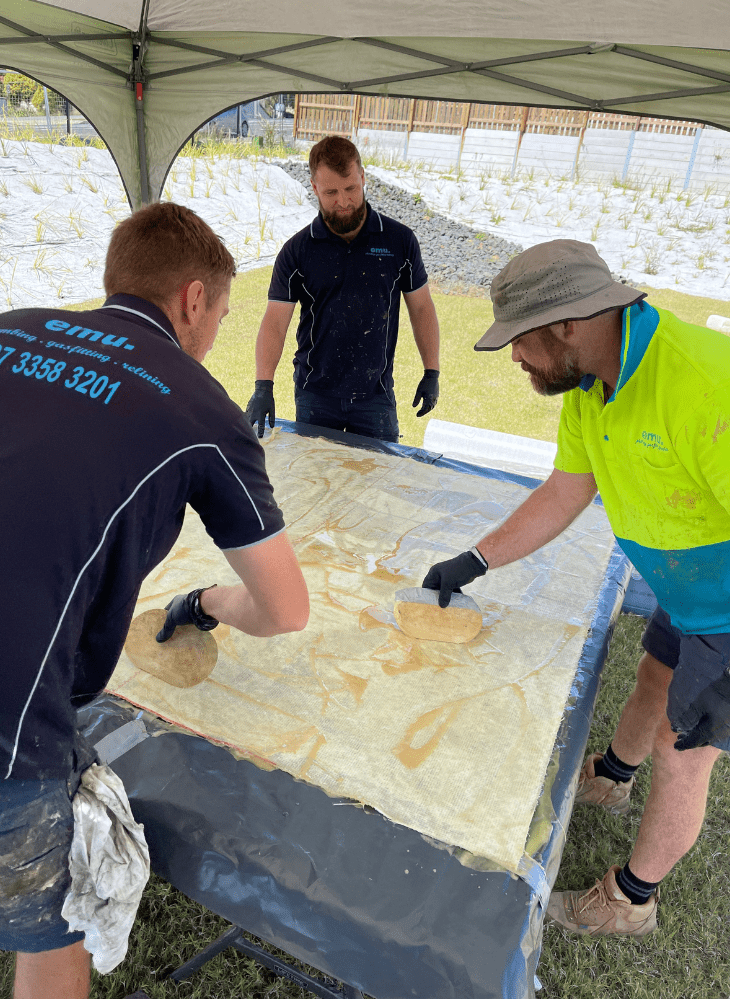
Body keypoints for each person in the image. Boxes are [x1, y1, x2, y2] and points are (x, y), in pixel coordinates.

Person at [0, 202, 309, 999]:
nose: (212, 337)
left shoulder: (10, 326)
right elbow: (285, 609)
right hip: (11, 717)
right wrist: (208, 600)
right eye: (221, 315)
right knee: (50, 929)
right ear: (194, 299)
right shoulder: (200, 404)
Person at [422, 239, 730, 937]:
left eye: (519, 341)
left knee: (682, 754)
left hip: (727, 606)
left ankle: (632, 900)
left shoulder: (704, 386)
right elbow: (566, 490)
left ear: (567, 323)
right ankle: (612, 780)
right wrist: (476, 559)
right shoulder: (594, 382)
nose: (515, 358)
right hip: (686, 587)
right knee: (654, 678)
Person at [245, 135, 441, 443]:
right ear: (314, 189)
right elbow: (275, 323)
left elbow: (421, 307)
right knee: (318, 485)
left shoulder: (399, 241)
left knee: (376, 484)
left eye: (350, 188)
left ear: (362, 178)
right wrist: (263, 387)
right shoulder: (297, 251)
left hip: (375, 396)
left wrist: (432, 372)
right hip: (315, 395)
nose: (344, 201)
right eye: (331, 192)